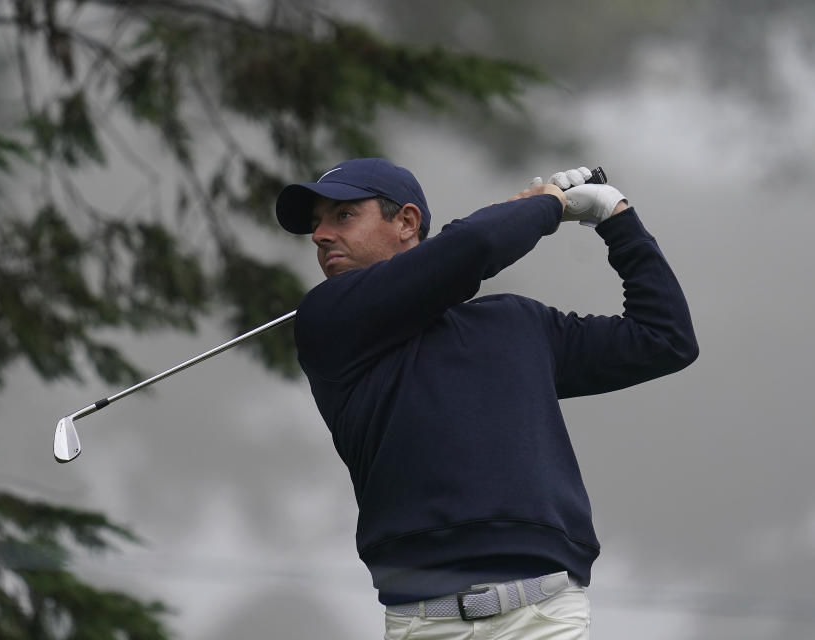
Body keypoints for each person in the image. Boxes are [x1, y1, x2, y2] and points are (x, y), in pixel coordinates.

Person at [275, 158, 698, 639]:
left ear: (407, 222)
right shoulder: (328, 320)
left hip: (544, 617)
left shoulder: (517, 323)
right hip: (423, 624)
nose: (320, 236)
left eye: (342, 216)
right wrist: (547, 206)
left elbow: (665, 338)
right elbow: (474, 246)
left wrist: (616, 218)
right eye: (316, 225)